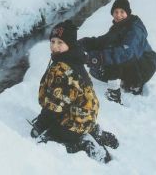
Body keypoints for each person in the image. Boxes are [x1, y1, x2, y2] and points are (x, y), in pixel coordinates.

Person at [30, 20, 118, 163]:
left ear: (69, 44)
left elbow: (55, 103)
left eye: (60, 43)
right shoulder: (74, 59)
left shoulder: (62, 70)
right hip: (87, 114)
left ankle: (84, 144)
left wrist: (41, 123)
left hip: (76, 120)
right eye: (52, 41)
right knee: (61, 121)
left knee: (51, 135)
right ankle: (94, 131)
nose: (55, 47)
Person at [79, 0, 156, 103]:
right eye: (115, 12)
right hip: (133, 61)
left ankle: (133, 86)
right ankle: (121, 80)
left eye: (122, 12)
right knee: (105, 56)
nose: (118, 15)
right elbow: (102, 41)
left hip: (143, 66)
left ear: (127, 13)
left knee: (114, 56)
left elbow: (127, 52)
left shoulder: (135, 29)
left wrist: (99, 57)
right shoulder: (118, 26)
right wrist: (82, 43)